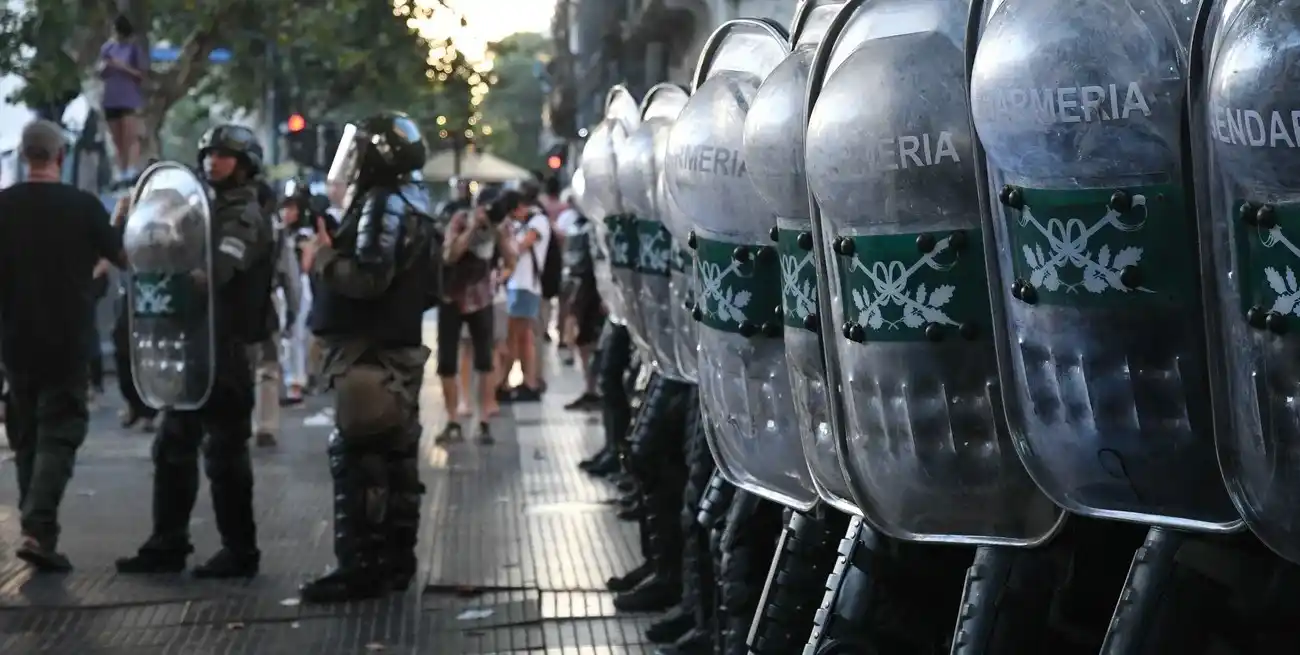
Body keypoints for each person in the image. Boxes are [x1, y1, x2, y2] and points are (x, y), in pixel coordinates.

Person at [115, 124, 275, 578]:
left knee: (224, 452)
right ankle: (168, 542)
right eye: (208, 155)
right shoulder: (202, 208)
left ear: (244, 164)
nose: (212, 162)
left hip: (226, 349)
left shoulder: (243, 214)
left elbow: (219, 270)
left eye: (224, 156)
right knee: (173, 444)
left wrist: (186, 268)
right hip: (195, 340)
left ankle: (240, 550)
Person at [299, 111, 440, 603]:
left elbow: (369, 277)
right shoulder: (416, 201)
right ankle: (395, 562)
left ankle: (359, 567)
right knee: (396, 459)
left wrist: (324, 258)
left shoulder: (382, 204)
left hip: (369, 353)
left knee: (358, 459)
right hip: (395, 348)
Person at [0, 119, 126, 571]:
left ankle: (40, 535)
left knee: (27, 434)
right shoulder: (84, 207)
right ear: (59, 157)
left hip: (14, 340)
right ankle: (37, 525)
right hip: (68, 339)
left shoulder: (4, 206)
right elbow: (124, 256)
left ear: (22, 154)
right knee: (60, 431)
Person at [437, 196, 516, 446]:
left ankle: (483, 421)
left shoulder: (500, 227)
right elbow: (449, 255)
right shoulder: (460, 220)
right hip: (451, 297)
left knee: (485, 361)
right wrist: (472, 228)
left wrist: (497, 233)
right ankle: (452, 420)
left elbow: (512, 259)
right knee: (447, 361)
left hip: (481, 299)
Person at [251, 181, 302, 447]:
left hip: (226, 307)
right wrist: (292, 312)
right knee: (267, 368)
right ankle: (265, 425)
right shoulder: (276, 233)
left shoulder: (217, 225)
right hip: (263, 303)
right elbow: (292, 280)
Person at [109, 196, 159, 431]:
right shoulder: (130, 221)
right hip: (133, 290)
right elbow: (115, 252)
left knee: (153, 350)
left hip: (157, 287)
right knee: (123, 345)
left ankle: (150, 408)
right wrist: (118, 221)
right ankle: (134, 402)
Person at [98, 14, 148, 183]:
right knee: (117, 138)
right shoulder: (107, 48)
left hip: (129, 98)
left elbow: (140, 74)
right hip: (111, 98)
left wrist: (122, 67)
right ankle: (122, 170)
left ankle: (132, 168)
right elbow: (101, 73)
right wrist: (106, 67)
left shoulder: (133, 49)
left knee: (130, 136)